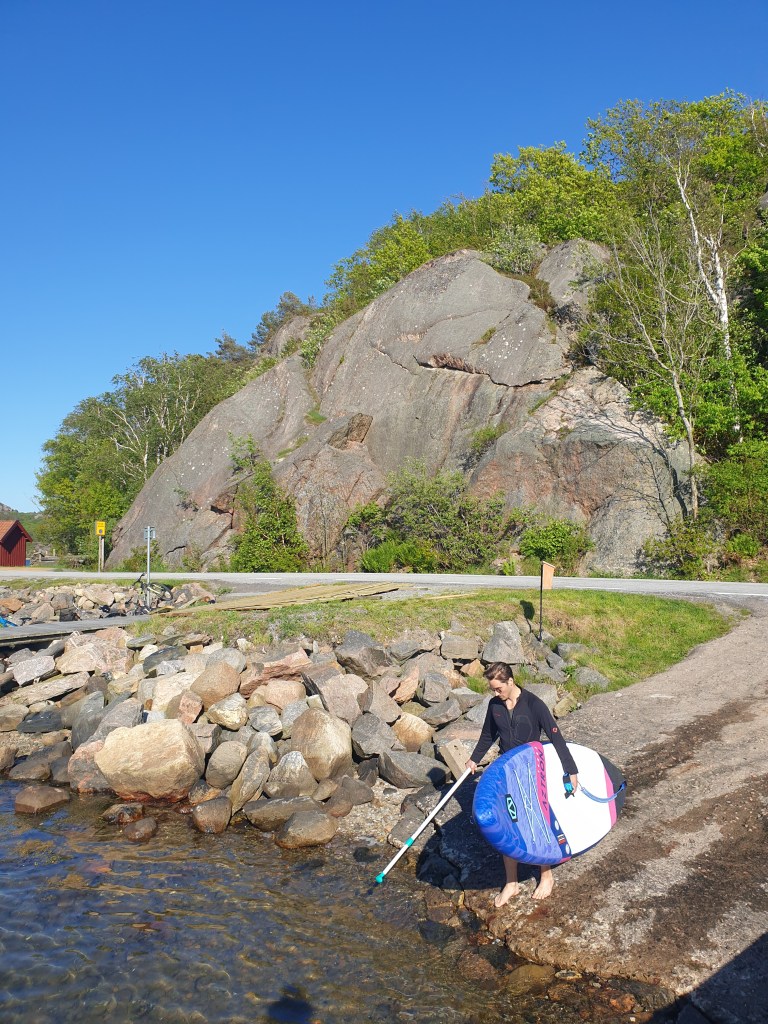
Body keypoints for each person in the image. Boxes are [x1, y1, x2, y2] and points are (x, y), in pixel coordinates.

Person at [466, 662, 579, 905]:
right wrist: (474, 759)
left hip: (531, 771)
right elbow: (488, 735)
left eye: (498, 688)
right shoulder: (495, 705)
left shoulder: (533, 704)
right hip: (506, 771)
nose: (496, 693)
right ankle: (512, 883)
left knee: (535, 822)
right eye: (492, 689)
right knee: (506, 823)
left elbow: (555, 736)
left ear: (510, 681)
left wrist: (570, 770)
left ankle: (546, 876)